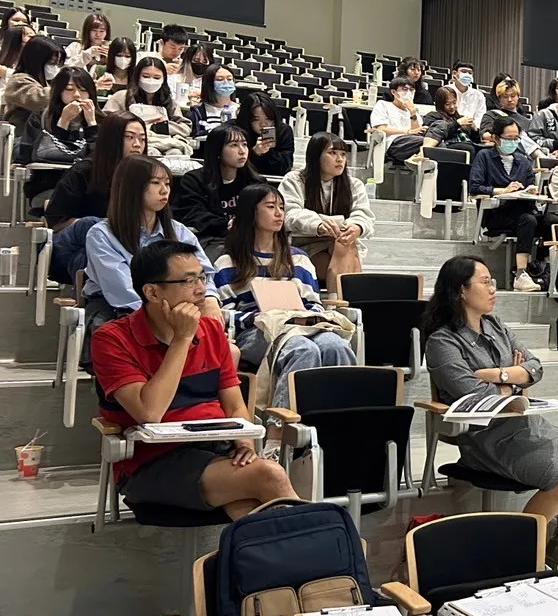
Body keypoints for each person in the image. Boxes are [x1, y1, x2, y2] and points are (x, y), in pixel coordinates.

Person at [90, 240, 298, 520]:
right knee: (270, 475)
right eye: (188, 281)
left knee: (252, 514)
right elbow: (149, 413)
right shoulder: (112, 339)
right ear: (152, 292)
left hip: (217, 451)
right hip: (152, 462)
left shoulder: (211, 330)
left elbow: (235, 406)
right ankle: (321, 543)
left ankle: (296, 546)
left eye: (202, 278)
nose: (202, 289)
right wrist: (183, 338)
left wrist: (245, 445)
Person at [424, 255, 558, 559]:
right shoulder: (443, 342)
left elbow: (535, 367)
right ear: (461, 290)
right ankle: (518, 553)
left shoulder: (496, 326)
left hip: (524, 423)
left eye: (492, 282)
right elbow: (472, 392)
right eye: (485, 282)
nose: (493, 288)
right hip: (484, 434)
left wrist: (498, 375)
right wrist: (513, 380)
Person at [213, 184, 358, 406]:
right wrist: (261, 318)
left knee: (336, 345)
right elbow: (223, 315)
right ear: (251, 212)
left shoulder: (298, 259)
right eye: (271, 207)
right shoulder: (228, 262)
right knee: (302, 349)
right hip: (257, 332)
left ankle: (336, 417)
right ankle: (280, 422)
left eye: (281, 207)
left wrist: (306, 317)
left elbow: (314, 303)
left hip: (300, 325)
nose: (279, 213)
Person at [84, 155, 222, 336]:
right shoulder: (101, 235)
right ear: (132, 188)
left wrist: (210, 298)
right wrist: (167, 321)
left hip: (177, 306)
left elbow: (204, 272)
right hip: (118, 309)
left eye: (167, 184)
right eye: (156, 183)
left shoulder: (179, 231)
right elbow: (122, 291)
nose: (165, 190)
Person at [280, 132, 374, 290]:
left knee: (345, 242)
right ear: (316, 156)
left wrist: (356, 227)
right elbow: (289, 213)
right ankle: (346, 301)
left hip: (339, 244)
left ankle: (336, 300)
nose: (340, 159)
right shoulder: (295, 179)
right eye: (332, 153)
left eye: (343, 154)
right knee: (348, 258)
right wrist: (318, 224)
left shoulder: (354, 184)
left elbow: (363, 214)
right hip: (304, 245)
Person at [470, 116, 542, 292]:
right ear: (496, 138)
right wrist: (502, 191)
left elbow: (530, 183)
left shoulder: (523, 160)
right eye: (509, 138)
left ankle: (541, 269)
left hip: (522, 209)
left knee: (551, 221)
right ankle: (520, 274)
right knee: (529, 220)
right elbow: (475, 187)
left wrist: (531, 191)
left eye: (516, 138)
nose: (513, 142)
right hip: (497, 213)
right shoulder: (484, 156)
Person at [45, 113, 146, 232]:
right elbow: (56, 221)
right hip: (85, 237)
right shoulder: (84, 172)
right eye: (129, 137)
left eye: (142, 139)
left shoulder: (145, 174)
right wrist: (96, 226)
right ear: (111, 139)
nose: (137, 144)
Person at [173, 124, 261, 251]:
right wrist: (227, 224)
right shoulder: (194, 181)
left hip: (249, 240)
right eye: (234, 145)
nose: (242, 151)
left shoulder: (255, 182)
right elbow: (193, 215)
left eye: (244, 144)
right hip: (209, 240)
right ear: (217, 150)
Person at [103, 54, 193, 155]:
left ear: (163, 79)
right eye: (145, 76)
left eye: (156, 77)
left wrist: (164, 127)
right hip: (134, 142)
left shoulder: (169, 102)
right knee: (151, 153)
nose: (151, 81)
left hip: (164, 141)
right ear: (137, 76)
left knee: (175, 153)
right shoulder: (122, 97)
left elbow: (185, 127)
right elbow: (106, 121)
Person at [32, 66, 99, 167]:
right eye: (69, 89)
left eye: (83, 90)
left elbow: (102, 156)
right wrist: (63, 122)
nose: (77, 95)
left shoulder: (103, 120)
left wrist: (92, 124)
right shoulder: (41, 117)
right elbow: (30, 154)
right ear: (59, 91)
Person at [4, 35, 64, 139]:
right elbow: (39, 99)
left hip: (43, 138)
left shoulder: (48, 82)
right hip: (22, 138)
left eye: (57, 64)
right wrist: (65, 88)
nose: (55, 68)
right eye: (51, 63)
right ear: (36, 60)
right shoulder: (18, 81)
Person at [370, 76, 427, 165]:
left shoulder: (413, 111)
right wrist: (407, 132)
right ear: (394, 92)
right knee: (427, 143)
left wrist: (412, 113)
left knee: (436, 144)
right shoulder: (383, 105)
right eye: (404, 89)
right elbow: (381, 129)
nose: (408, 93)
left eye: (411, 90)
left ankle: (417, 161)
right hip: (393, 143)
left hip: (413, 142)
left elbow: (417, 132)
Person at [233, 93, 294, 176]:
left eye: (268, 119)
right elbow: (230, 164)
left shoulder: (283, 131)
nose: (263, 124)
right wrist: (255, 153)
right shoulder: (235, 130)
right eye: (256, 119)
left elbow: (285, 167)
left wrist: (268, 151)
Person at [421, 85, 481, 150]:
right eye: (447, 104)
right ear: (440, 104)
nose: (452, 107)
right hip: (446, 146)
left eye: (454, 103)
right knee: (469, 148)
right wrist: (457, 124)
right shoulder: (432, 116)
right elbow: (435, 135)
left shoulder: (459, 118)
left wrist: (474, 130)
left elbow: (476, 140)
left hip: (466, 144)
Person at [187, 63, 238, 138]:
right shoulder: (197, 113)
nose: (226, 82)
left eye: (229, 79)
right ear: (209, 84)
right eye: (220, 79)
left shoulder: (241, 109)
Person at [450, 61, 486, 127]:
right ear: (454, 73)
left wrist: (473, 127)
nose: (467, 75)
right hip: (450, 127)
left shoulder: (478, 95)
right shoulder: (446, 90)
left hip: (471, 129)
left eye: (470, 73)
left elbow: (480, 117)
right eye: (463, 71)